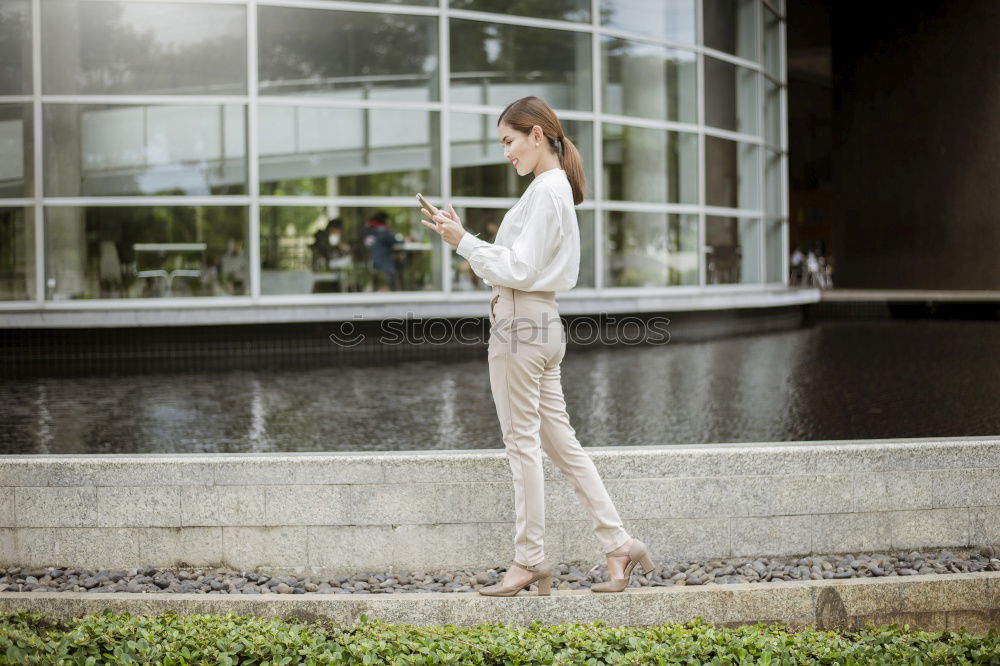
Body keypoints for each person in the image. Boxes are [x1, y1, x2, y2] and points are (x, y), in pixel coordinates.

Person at [420, 95, 655, 597]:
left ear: (536, 134)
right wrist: (464, 238)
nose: (506, 153)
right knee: (561, 446)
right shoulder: (552, 191)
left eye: (509, 141)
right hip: (541, 324)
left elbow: (519, 269)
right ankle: (618, 544)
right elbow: (516, 260)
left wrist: (464, 241)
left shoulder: (546, 191)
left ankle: (530, 560)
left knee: (522, 445)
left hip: (521, 326)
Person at [363, 211, 403, 291]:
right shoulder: (383, 232)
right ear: (385, 220)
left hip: (371, 264)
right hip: (384, 265)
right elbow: (397, 241)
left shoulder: (368, 231)